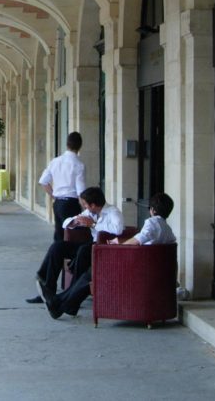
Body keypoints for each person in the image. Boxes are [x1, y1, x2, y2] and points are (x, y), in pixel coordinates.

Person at [42, 192, 175, 319]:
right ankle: (62, 304)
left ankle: (59, 302)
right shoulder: (167, 230)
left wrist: (117, 247)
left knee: (92, 273)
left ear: (152, 209)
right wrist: (120, 241)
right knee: (89, 273)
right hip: (146, 268)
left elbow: (137, 241)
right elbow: (143, 240)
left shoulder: (152, 223)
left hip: (136, 268)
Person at [31, 186, 123, 304]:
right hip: (91, 244)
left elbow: (118, 230)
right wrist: (75, 221)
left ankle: (70, 294)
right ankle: (48, 289)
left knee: (83, 251)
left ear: (93, 205)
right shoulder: (90, 212)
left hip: (103, 247)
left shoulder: (113, 212)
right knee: (58, 247)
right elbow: (66, 223)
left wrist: (94, 225)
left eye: (86, 205)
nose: (84, 207)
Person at [25, 131, 86, 304]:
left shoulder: (55, 161)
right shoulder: (79, 165)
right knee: (72, 243)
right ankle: (66, 286)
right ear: (79, 146)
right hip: (72, 204)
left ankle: (49, 284)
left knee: (59, 241)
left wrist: (54, 195)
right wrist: (86, 210)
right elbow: (81, 192)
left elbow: (43, 181)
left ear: (67, 144)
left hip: (58, 204)